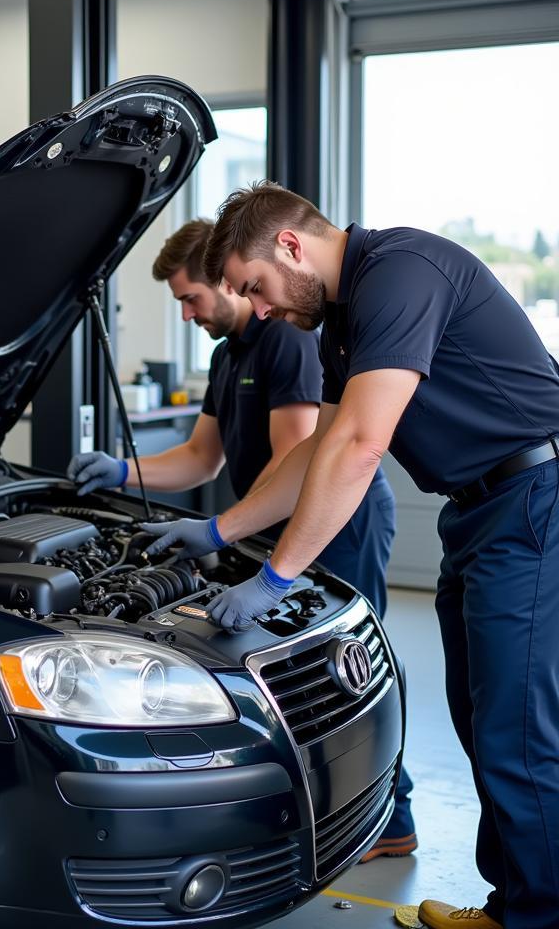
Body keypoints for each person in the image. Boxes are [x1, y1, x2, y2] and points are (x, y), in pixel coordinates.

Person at [145, 181, 559, 929]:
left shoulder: (402, 273)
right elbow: (317, 450)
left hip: (534, 500)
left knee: (517, 728)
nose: (260, 309)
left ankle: (539, 917)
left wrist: (278, 575)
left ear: (292, 246)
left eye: (256, 287)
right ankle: (519, 905)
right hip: (480, 513)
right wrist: (220, 530)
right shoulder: (341, 322)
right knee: (478, 714)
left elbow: (364, 445)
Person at [67, 218, 415, 860]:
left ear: (225, 282)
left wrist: (231, 540)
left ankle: (387, 815)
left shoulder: (284, 342)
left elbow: (300, 460)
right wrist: (124, 470)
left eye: (192, 297)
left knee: (343, 670)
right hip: (274, 527)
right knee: (305, 674)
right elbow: (203, 458)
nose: (188, 313)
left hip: (336, 521)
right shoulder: (229, 355)